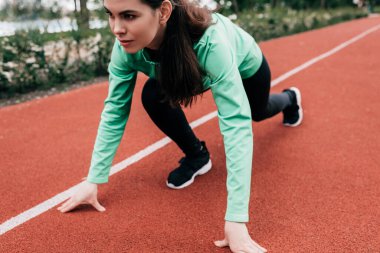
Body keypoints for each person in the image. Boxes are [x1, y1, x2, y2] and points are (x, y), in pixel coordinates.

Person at [57, 0, 303, 252]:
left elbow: (235, 124)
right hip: (180, 69)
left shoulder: (211, 42)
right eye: (111, 15)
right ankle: (197, 156)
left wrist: (236, 219)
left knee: (256, 112)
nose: (117, 28)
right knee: (152, 95)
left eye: (129, 16)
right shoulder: (124, 48)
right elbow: (115, 110)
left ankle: (290, 98)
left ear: (163, 12)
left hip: (244, 66)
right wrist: (93, 179)